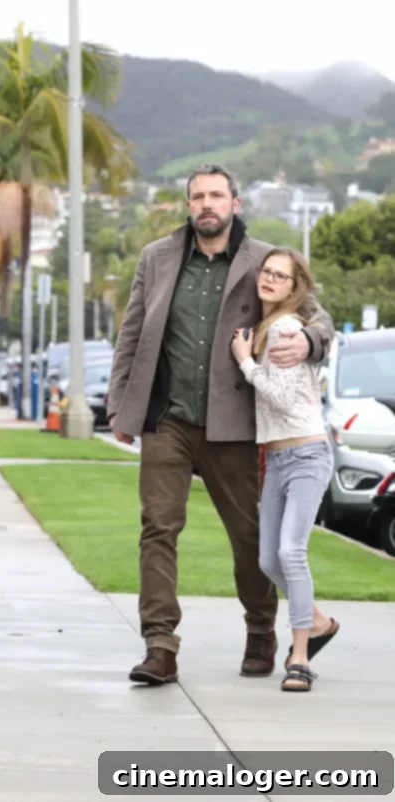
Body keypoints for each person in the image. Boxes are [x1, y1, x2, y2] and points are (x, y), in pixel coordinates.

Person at [106, 164, 334, 686]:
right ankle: (159, 645)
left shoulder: (265, 261)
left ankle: (260, 631)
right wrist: (120, 404)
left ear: (235, 202)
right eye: (197, 196)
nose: (206, 204)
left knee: (249, 534)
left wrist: (311, 341)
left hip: (236, 423)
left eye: (216, 195)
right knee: (158, 529)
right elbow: (132, 332)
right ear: (188, 205)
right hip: (168, 419)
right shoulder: (157, 258)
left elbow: (318, 318)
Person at [231, 248, 338, 692]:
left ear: (295, 288)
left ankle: (299, 658)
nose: (270, 279)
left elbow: (281, 398)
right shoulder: (267, 327)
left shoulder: (287, 329)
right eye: (267, 272)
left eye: (281, 276)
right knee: (267, 559)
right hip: (277, 457)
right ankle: (317, 622)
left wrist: (243, 360)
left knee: (291, 553)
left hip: (308, 454)